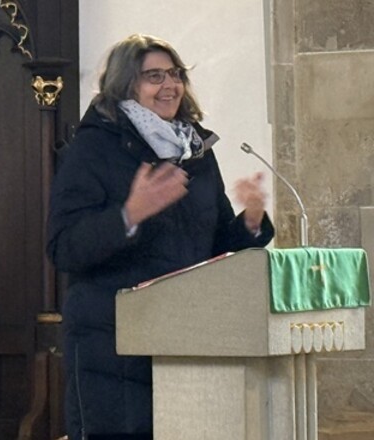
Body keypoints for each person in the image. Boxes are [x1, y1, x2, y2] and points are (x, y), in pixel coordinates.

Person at [46, 34, 275, 440]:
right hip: (113, 346)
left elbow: (214, 249)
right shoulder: (94, 148)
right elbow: (64, 248)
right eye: (154, 76)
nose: (170, 85)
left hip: (187, 341)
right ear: (125, 84)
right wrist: (129, 215)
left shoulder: (195, 150)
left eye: (175, 74)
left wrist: (251, 221)